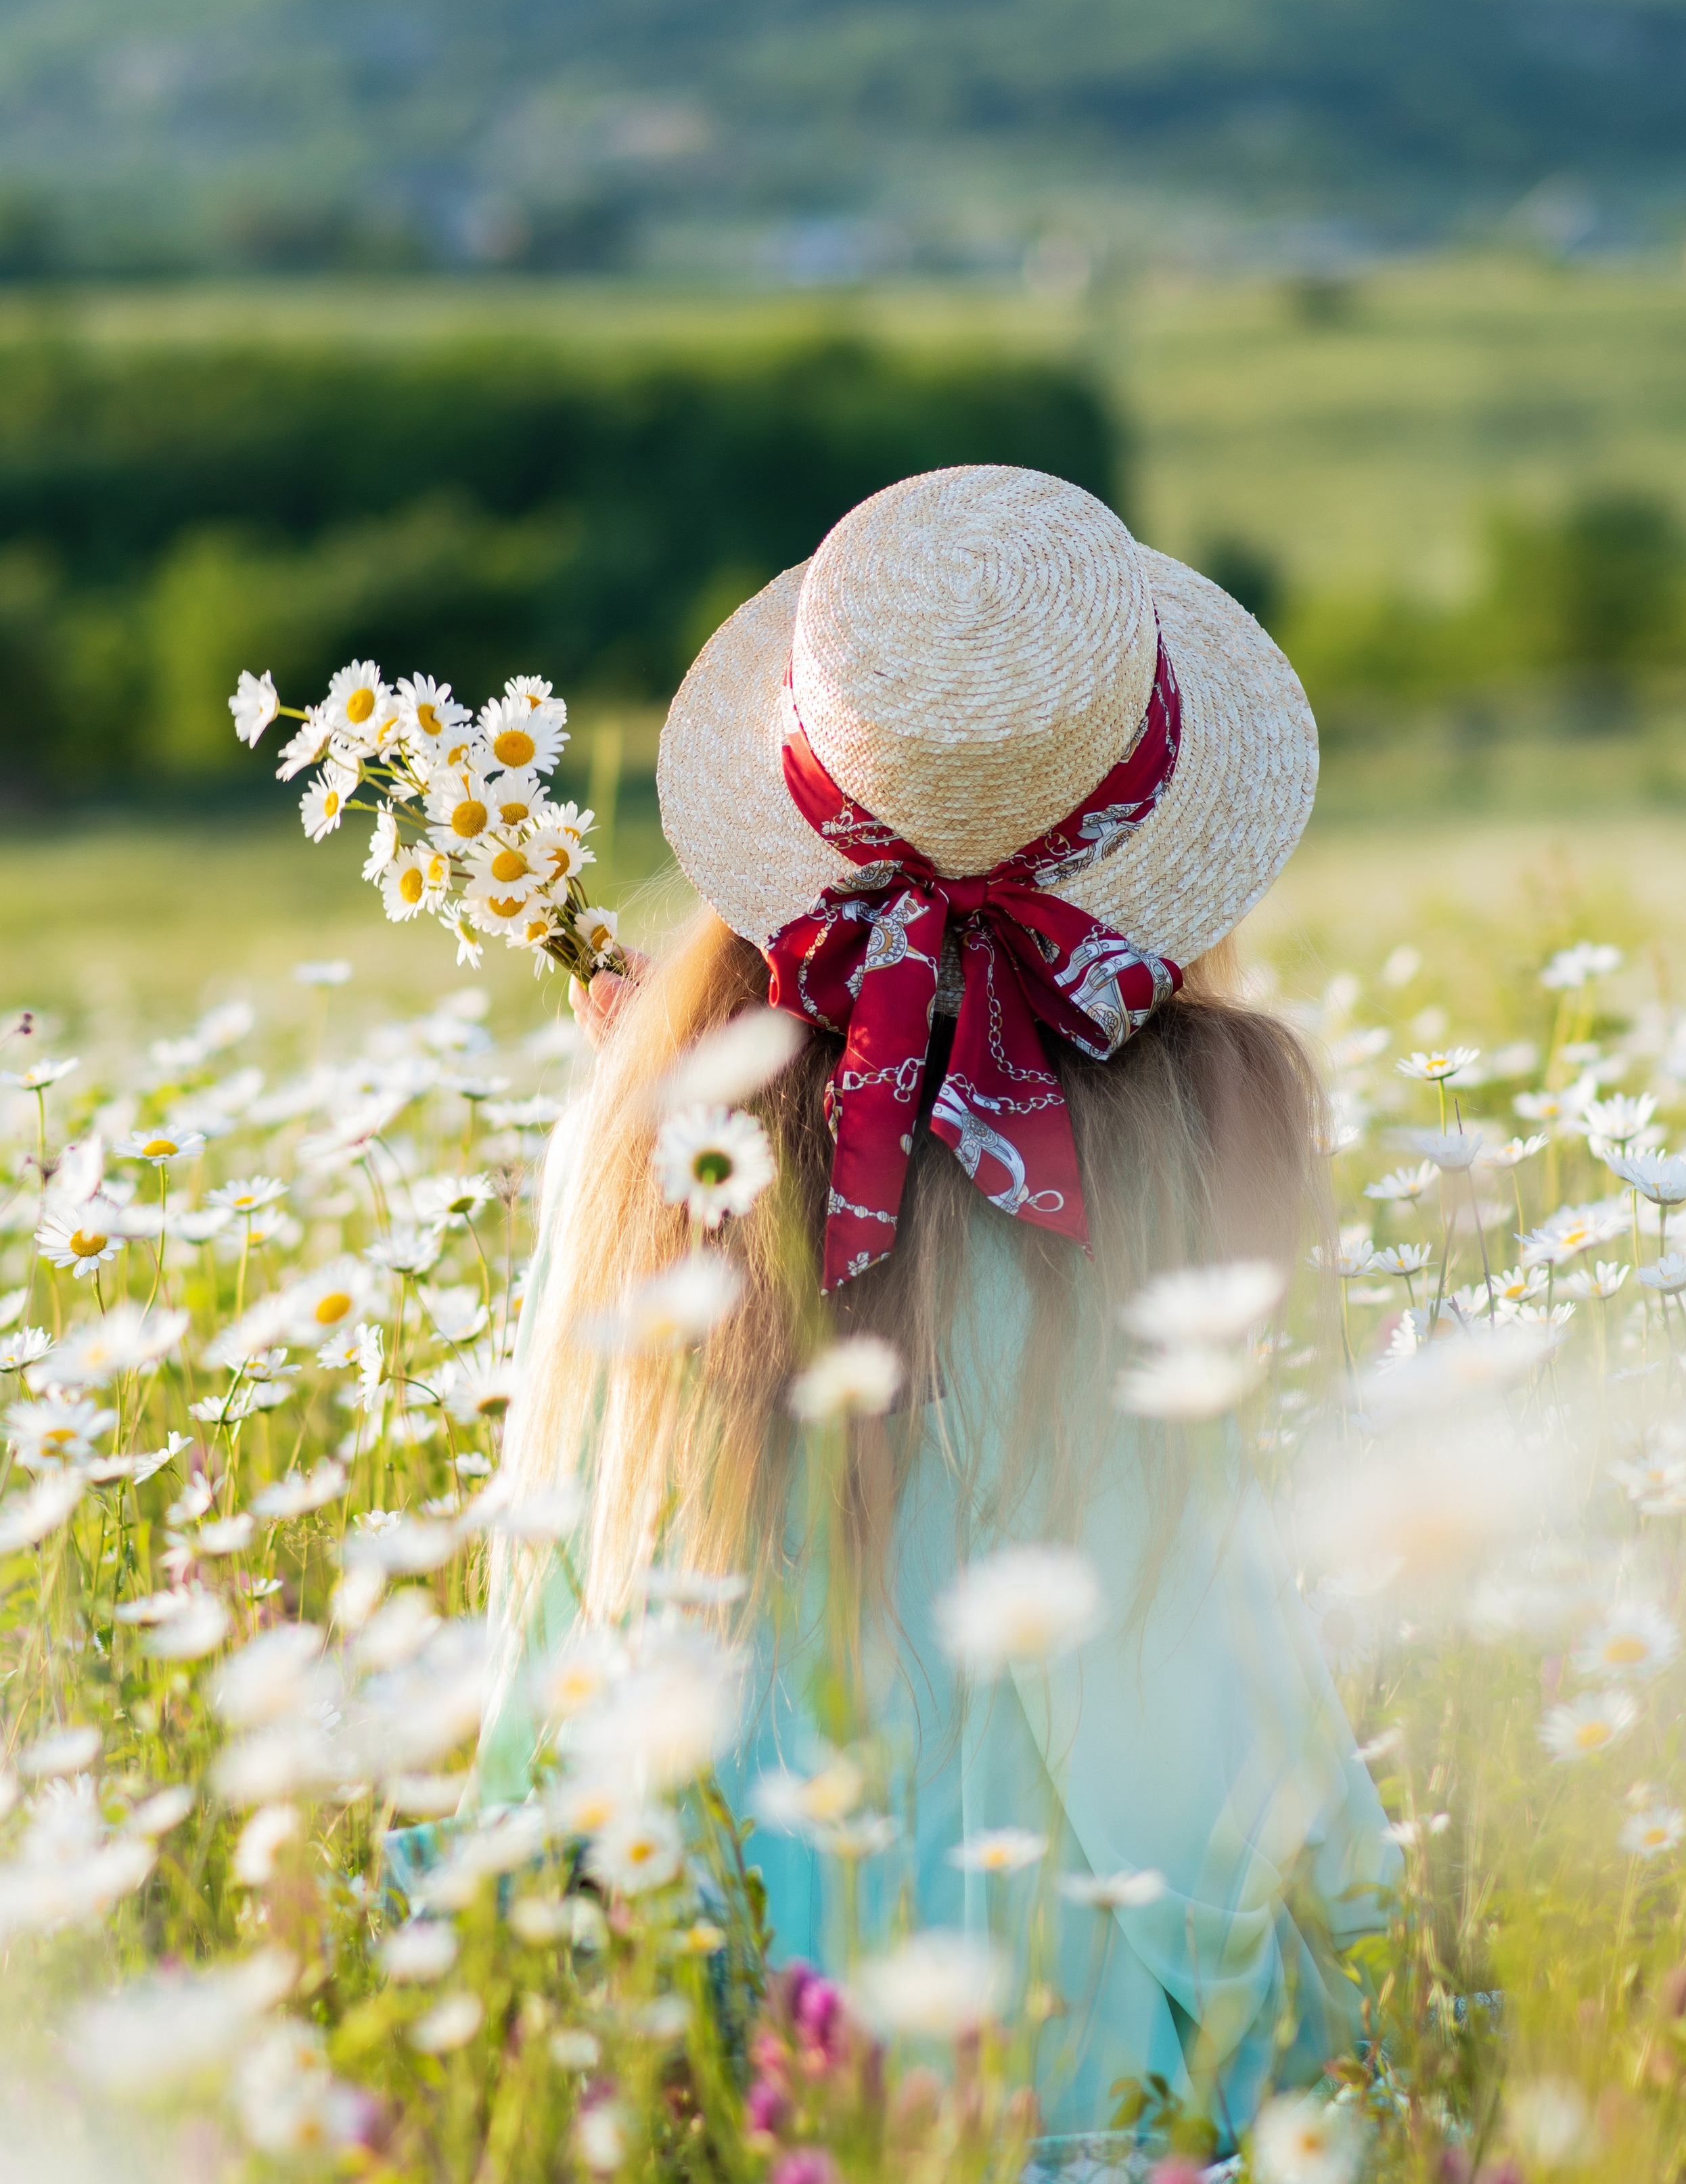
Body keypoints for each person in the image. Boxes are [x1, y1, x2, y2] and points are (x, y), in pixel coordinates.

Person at [483, 464, 1397, 2153]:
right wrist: (1345, 1916)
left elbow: (573, 1561)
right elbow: (1220, 1600)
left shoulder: (660, 1137)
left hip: (754, 1991)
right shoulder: (1216, 1116)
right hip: (1099, 1996)